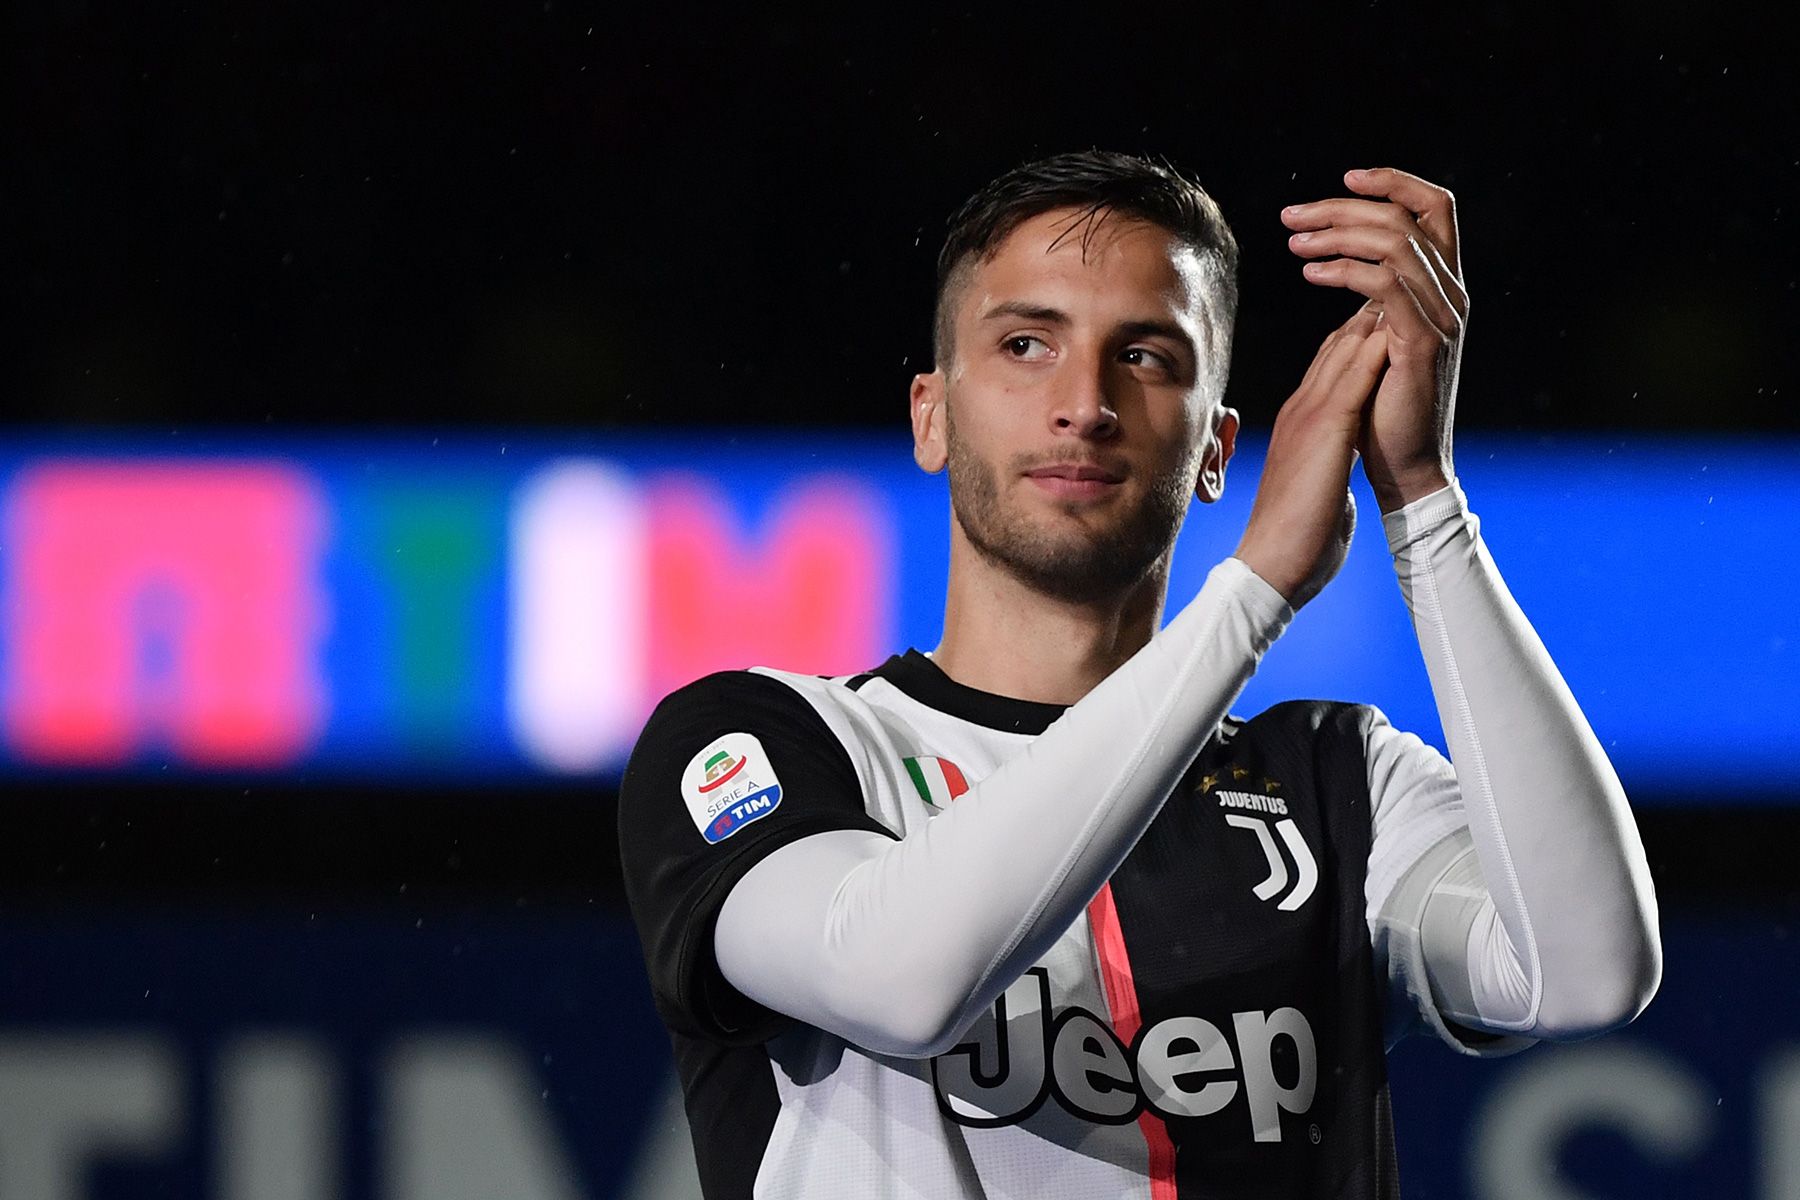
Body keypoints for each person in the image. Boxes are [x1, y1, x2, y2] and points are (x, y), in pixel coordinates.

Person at [618, 150, 1661, 1199]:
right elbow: (900, 980)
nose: (1084, 403)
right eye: (1027, 344)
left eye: (1149, 357)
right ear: (932, 416)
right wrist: (1251, 595)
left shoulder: (1339, 783)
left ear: (1218, 450)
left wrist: (1425, 505)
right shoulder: (762, 743)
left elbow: (1585, 974)